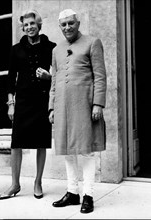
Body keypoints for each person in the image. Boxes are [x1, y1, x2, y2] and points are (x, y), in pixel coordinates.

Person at [49, 9, 107, 213]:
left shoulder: (92, 42)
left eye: (70, 23)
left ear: (78, 23)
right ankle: (72, 192)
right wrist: (51, 107)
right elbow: (54, 81)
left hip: (84, 105)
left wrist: (98, 103)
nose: (67, 27)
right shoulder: (56, 50)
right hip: (62, 106)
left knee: (87, 150)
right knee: (67, 149)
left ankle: (88, 195)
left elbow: (100, 75)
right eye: (63, 24)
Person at [0, 10, 56, 200]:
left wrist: (49, 77)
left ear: (39, 25)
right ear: (22, 27)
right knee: (16, 143)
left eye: (32, 23)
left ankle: (38, 182)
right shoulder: (16, 49)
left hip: (42, 100)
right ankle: (15, 184)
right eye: (26, 25)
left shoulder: (51, 47)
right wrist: (10, 103)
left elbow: (62, 75)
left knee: (41, 142)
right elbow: (10, 78)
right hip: (22, 101)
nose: (29, 27)